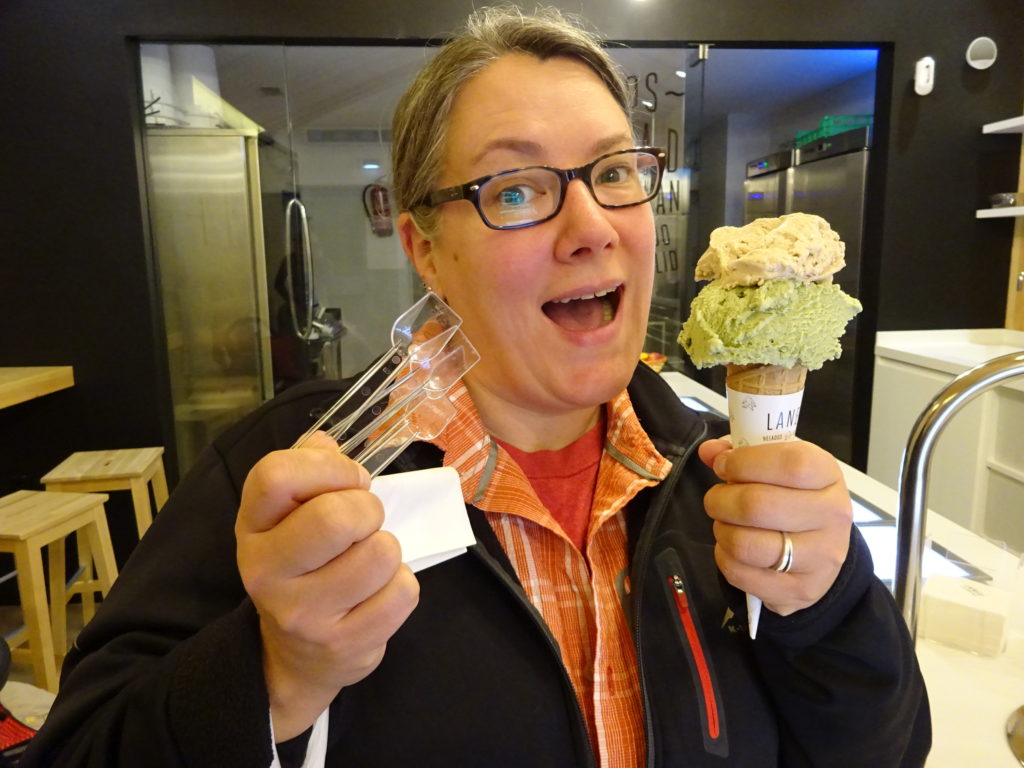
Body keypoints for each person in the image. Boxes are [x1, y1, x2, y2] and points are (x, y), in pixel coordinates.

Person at [22, 7, 929, 767]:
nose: (591, 226)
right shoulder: (289, 484)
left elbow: (888, 750)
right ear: (427, 253)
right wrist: (272, 670)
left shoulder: (719, 472)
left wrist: (833, 603)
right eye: (517, 189)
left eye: (615, 173)